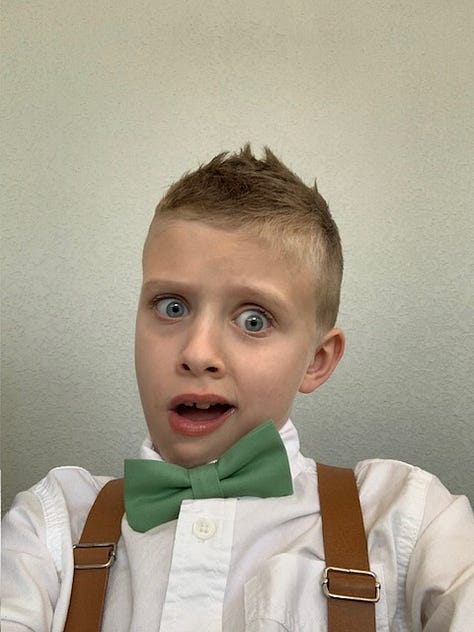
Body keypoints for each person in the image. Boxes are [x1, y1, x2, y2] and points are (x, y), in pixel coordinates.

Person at [2, 146, 473, 631]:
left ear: (316, 361)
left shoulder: (407, 518)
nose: (197, 352)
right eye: (171, 307)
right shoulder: (52, 524)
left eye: (253, 319)